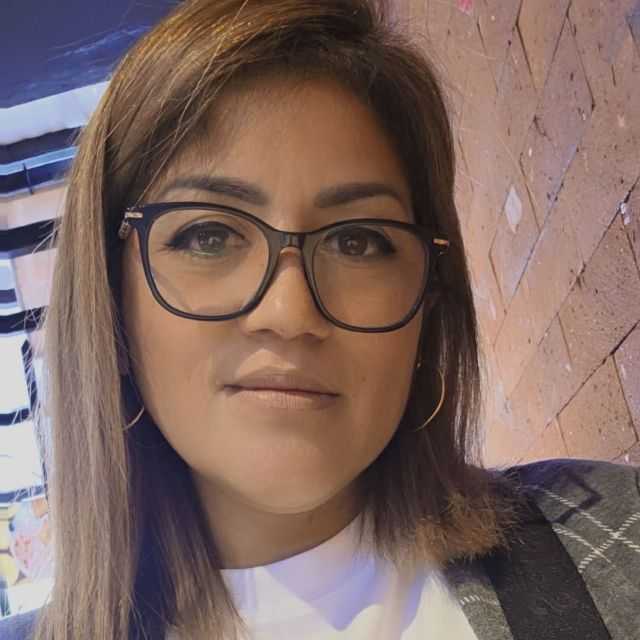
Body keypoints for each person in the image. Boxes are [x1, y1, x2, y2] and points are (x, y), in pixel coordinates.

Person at [1, 1, 638, 638]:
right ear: (112, 300)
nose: (289, 313)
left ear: (429, 300)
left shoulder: (611, 537)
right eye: (208, 236)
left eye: (357, 242)